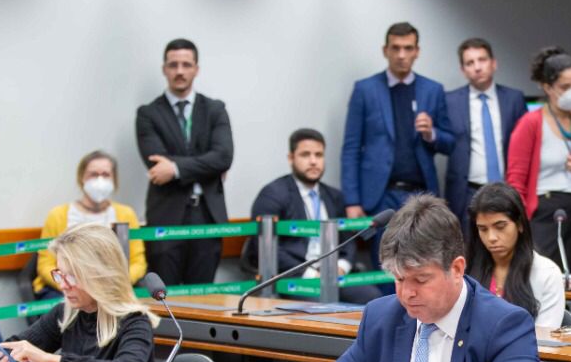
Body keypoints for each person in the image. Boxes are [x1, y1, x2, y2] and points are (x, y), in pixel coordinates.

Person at [301, 194, 547, 362]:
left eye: (420, 279)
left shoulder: (505, 324)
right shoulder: (382, 317)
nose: (407, 293)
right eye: (399, 279)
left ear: (457, 269)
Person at [340, 21, 454, 268]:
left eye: (408, 48)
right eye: (396, 48)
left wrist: (431, 133)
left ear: (417, 51)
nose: (402, 55)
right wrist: (352, 201)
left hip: (421, 195)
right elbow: (351, 148)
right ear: (386, 50)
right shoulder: (365, 89)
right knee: (385, 267)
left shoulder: (433, 90)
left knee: (423, 265)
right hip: (380, 196)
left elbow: (449, 143)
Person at [0, 224, 157, 362]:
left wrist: (48, 360)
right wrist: (0, 357)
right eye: (60, 275)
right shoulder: (65, 314)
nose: (63, 286)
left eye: (72, 277)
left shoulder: (136, 321)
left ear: (101, 276)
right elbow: (21, 346)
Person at [135, 38, 234, 285]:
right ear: (164, 69)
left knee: (204, 296)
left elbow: (224, 156)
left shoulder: (215, 109)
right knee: (165, 296)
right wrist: (207, 166)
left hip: (207, 215)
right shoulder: (148, 114)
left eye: (186, 65)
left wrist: (176, 168)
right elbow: (156, 164)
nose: (180, 71)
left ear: (196, 69)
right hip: (166, 215)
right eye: (173, 65)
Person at [244, 128, 382, 306]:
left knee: (374, 299)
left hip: (333, 275)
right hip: (294, 277)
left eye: (319, 155)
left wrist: (342, 267)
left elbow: (348, 241)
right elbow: (266, 247)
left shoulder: (334, 196)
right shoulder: (272, 194)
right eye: (305, 155)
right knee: (317, 305)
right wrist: (310, 274)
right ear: (291, 158)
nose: (313, 161)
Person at [505, 46, 571, 276]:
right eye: (565, 87)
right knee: (543, 274)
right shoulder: (531, 123)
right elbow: (515, 178)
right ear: (547, 87)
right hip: (545, 210)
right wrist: (518, 221)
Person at [35, 150, 147, 299]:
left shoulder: (126, 214)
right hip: (66, 289)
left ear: (114, 179)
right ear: (81, 178)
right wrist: (72, 284)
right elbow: (45, 264)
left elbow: (138, 262)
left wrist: (119, 284)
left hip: (114, 290)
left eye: (106, 175)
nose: (100, 180)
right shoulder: (58, 215)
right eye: (93, 174)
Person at [444, 38, 528, 229]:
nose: (477, 67)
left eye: (482, 60)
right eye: (470, 63)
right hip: (467, 191)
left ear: (493, 63)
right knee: (468, 244)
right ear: (463, 70)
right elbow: (442, 141)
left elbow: (524, 147)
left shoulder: (514, 98)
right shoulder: (450, 101)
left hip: (507, 190)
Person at [466, 182, 565, 330]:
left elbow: (545, 337)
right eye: (483, 229)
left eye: (500, 227)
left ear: (520, 224)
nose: (491, 237)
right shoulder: (466, 271)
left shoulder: (547, 273)